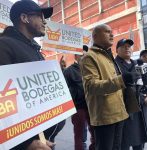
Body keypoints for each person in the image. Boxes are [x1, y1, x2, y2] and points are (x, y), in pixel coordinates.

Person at [0, 0, 56, 149]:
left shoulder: (35, 50)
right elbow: (4, 102)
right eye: (40, 16)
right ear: (25, 18)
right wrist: (25, 144)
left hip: (43, 139)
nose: (45, 22)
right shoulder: (4, 46)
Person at [115, 39, 147, 150]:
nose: (127, 48)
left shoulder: (137, 63)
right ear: (117, 50)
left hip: (141, 110)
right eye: (124, 46)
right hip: (125, 111)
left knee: (139, 143)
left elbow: (146, 81)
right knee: (124, 143)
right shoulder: (114, 65)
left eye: (129, 46)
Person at [63, 48, 95, 150]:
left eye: (86, 56)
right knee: (79, 134)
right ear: (76, 56)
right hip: (78, 107)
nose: (84, 58)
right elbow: (64, 89)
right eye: (82, 55)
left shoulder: (90, 69)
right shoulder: (69, 71)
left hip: (92, 106)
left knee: (94, 132)